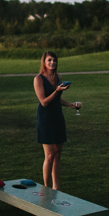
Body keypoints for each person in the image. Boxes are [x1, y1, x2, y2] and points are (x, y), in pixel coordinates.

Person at [33, 51, 81, 191]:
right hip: (45, 117)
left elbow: (56, 100)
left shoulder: (58, 77)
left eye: (54, 60)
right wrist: (57, 90)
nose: (52, 63)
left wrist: (71, 105)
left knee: (58, 152)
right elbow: (44, 102)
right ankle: (46, 188)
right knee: (49, 155)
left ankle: (56, 187)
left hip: (57, 116)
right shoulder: (39, 79)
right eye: (49, 60)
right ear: (44, 62)